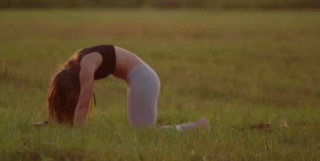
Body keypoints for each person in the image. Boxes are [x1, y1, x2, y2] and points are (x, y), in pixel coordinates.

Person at [39, 44, 208, 131]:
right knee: (142, 132)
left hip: (144, 79)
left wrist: (77, 135)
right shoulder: (79, 61)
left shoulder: (86, 67)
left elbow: (82, 105)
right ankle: (196, 126)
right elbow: (73, 105)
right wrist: (51, 122)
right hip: (138, 79)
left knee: (145, 135)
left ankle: (197, 126)